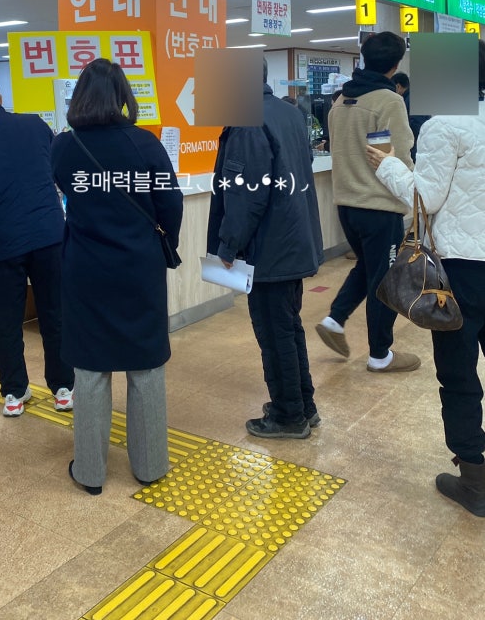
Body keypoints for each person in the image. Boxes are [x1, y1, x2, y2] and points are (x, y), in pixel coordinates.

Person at [52, 59, 183, 493]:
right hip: (138, 269)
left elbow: (67, 191)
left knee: (90, 370)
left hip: (85, 269)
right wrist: (160, 244)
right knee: (145, 366)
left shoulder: (64, 147)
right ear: (124, 96)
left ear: (79, 97)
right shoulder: (145, 144)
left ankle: (90, 471)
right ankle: (150, 465)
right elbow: (170, 204)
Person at [367, 40, 485, 517]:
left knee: (458, 374)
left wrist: (388, 165)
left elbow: (427, 198)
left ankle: (474, 478)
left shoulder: (444, 125)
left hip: (461, 271)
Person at [207, 58, 323, 439]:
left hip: (269, 249)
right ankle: (303, 405)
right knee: (289, 327)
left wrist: (228, 246)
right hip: (293, 241)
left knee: (274, 333)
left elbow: (245, 196)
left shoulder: (247, 124)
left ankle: (289, 416)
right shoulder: (288, 114)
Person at [0, 75, 74, 417]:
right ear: (0, 97)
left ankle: (14, 393)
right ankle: (63, 389)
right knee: (55, 313)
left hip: (2, 240)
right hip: (49, 233)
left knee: (7, 319)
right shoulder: (36, 125)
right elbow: (54, 171)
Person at [316, 32, 419, 372]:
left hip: (347, 205)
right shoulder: (388, 101)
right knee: (385, 280)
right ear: (396, 64)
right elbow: (398, 155)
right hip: (379, 207)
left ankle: (335, 319)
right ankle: (380, 354)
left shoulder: (340, 101)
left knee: (367, 267)